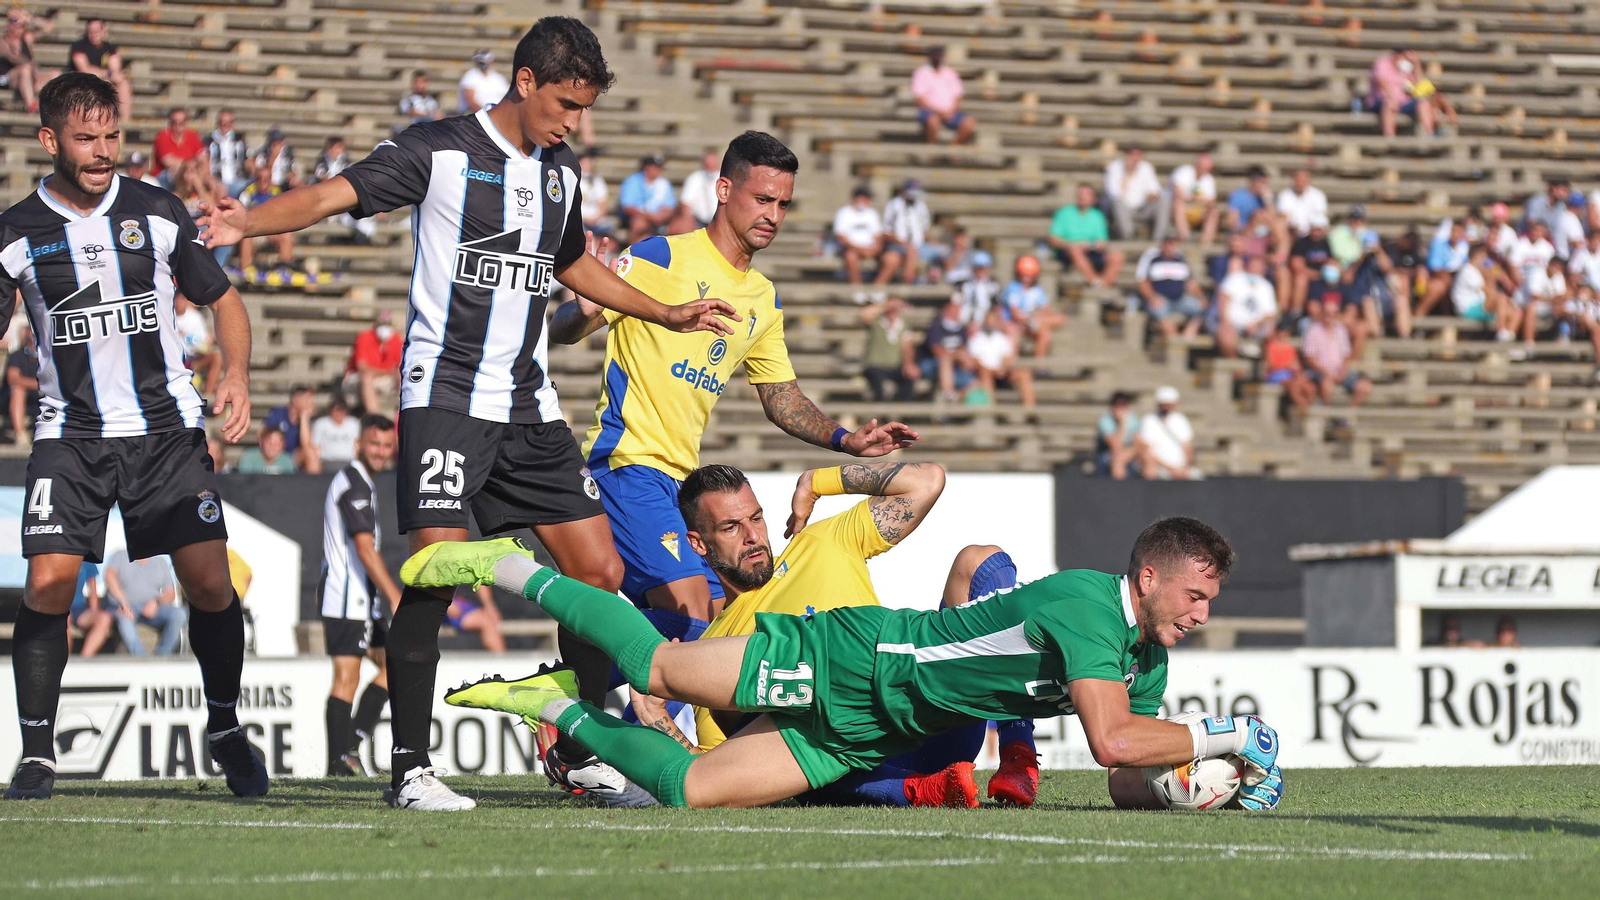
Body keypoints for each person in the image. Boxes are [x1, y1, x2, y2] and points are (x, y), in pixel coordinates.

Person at [197, 16, 738, 812]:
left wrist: (662, 313)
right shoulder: (440, 149)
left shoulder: (560, 172)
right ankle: (411, 769)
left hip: (529, 406)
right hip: (446, 399)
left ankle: (580, 742)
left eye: (583, 108)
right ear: (525, 82)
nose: (573, 121)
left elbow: (574, 261)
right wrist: (246, 221)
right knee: (431, 580)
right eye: (565, 102)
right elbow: (333, 194)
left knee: (600, 572)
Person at [414, 517, 1282, 811]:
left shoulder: (1143, 661)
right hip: (854, 663)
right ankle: (503, 563)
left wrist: (1206, 778)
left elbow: (1126, 778)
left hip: (875, 728)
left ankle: (557, 706)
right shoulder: (1091, 606)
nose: (1200, 617)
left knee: (690, 792)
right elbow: (1110, 743)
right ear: (1148, 578)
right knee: (657, 668)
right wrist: (1228, 734)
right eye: (1194, 598)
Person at [548, 131, 917, 803]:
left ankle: (576, 701)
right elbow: (567, 328)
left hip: (676, 482)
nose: (772, 214)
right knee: (696, 611)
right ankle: (617, 741)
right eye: (761, 197)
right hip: (627, 465)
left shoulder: (762, 299)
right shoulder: (659, 257)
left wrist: (844, 439)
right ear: (724, 190)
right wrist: (582, 311)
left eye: (783, 203)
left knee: (709, 620)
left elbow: (780, 396)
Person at [0, 74, 261, 802]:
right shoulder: (16, 234)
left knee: (209, 581)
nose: (103, 152)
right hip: (69, 436)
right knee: (50, 583)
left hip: (166, 433)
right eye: (86, 140)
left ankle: (224, 726)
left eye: (111, 137)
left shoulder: (157, 209)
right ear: (49, 140)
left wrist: (235, 373)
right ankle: (38, 753)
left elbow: (225, 301)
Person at [672, 463, 1040, 808]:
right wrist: (663, 722)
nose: (753, 536)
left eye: (756, 518)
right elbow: (724, 773)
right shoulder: (714, 649)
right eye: (731, 527)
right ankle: (922, 790)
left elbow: (927, 481)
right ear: (699, 543)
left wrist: (816, 482)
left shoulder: (821, 543)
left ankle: (1017, 755)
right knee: (790, 731)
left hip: (934, 713)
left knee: (980, 561)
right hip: (856, 763)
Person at [320, 414, 400, 776]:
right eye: (374, 444)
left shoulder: (361, 482)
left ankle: (348, 747)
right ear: (359, 445)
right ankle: (339, 763)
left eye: (386, 445)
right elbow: (365, 549)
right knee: (346, 678)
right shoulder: (353, 483)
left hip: (361, 601)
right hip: (345, 597)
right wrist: (394, 595)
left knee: (393, 664)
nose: (381, 452)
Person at [102, 550, 185, 656]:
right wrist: (123, 603)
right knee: (124, 619)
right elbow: (109, 576)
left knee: (179, 614)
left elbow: (170, 593)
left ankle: (162, 656)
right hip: (127, 607)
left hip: (153, 608)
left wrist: (156, 602)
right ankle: (141, 658)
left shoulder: (160, 562)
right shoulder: (120, 556)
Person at [1047, 184, 1124, 290]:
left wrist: (1090, 246)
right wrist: (1072, 245)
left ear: (1093, 199)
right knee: (1075, 250)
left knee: (1117, 256)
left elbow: (1102, 242)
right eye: (1080, 194)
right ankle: (1094, 281)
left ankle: (1103, 287)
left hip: (1090, 251)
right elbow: (1053, 239)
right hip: (1067, 252)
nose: (1082, 197)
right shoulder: (1064, 213)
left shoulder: (1097, 216)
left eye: (1086, 194)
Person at [1302, 299, 1373, 406]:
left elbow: (1346, 354)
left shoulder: (1341, 330)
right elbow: (1309, 357)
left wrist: (1343, 370)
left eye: (1333, 313)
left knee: (1365, 386)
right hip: (1320, 372)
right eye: (1327, 313)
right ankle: (1327, 415)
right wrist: (1326, 372)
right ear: (1322, 313)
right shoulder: (1313, 330)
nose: (1330, 316)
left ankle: (1348, 415)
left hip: (1339, 371)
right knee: (1327, 386)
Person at [832, 186, 896, 300]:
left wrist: (876, 248)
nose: (867, 201)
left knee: (892, 259)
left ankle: (877, 289)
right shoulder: (844, 213)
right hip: (853, 249)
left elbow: (878, 235)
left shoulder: (872, 213)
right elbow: (841, 236)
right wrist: (860, 249)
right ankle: (857, 289)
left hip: (871, 249)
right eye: (866, 198)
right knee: (850, 257)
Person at [1135, 236, 1206, 339]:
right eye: (1167, 244)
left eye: (1172, 244)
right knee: (1161, 311)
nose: (1169, 247)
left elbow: (1190, 283)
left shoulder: (1181, 259)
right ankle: (1175, 341)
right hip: (1159, 298)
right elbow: (1142, 281)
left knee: (1202, 309)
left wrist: (1201, 297)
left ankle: (1186, 338)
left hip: (1180, 299)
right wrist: (1152, 297)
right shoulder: (1152, 258)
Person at [999, 255, 1066, 361]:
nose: (1027, 278)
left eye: (1030, 275)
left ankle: (1039, 366)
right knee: (1013, 332)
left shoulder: (1037, 290)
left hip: (1032, 323)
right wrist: (1031, 320)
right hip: (1015, 324)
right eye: (1025, 275)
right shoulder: (1012, 288)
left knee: (1048, 330)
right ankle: (1011, 368)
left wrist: (1038, 319)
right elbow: (1016, 315)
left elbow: (1047, 310)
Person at [967, 307, 1035, 408]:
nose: (990, 324)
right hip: (985, 372)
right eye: (988, 321)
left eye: (993, 321)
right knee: (985, 373)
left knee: (1024, 373)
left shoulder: (1002, 338)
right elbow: (975, 360)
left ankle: (1029, 408)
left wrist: (1003, 368)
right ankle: (991, 408)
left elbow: (1006, 357)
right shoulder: (976, 338)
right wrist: (992, 370)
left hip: (1001, 372)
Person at [1214, 256, 1278, 359]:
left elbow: (1270, 314)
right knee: (1225, 334)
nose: (1255, 267)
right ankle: (1236, 367)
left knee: (1271, 330)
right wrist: (1225, 322)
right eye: (1253, 264)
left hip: (1256, 326)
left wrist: (1255, 324)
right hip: (1232, 324)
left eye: (1258, 265)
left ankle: (1264, 368)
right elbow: (1223, 299)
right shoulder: (1235, 278)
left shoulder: (1266, 286)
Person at [67, 17, 130, 120]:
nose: (94, 33)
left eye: (97, 30)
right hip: (82, 84)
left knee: (123, 83)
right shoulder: (79, 46)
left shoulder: (110, 48)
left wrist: (109, 74)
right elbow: (84, 70)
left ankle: (125, 121)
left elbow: (115, 70)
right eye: (91, 31)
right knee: (105, 83)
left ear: (104, 31)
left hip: (104, 80)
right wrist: (107, 73)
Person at [910, 46, 974, 144]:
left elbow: (958, 96)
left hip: (949, 112)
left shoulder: (950, 73)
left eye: (938, 56)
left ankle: (953, 149)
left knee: (969, 123)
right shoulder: (922, 73)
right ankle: (933, 151)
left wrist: (951, 110)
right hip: (930, 111)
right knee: (933, 122)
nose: (937, 58)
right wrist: (938, 111)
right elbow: (919, 99)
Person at [235, 166, 295, 269]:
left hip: (269, 231)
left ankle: (285, 269)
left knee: (287, 235)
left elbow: (281, 216)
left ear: (271, 180)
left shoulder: (276, 193)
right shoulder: (247, 193)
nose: (263, 182)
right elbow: (242, 219)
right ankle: (246, 269)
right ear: (255, 179)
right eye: (260, 178)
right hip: (253, 231)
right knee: (247, 236)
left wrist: (272, 230)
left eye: (267, 179)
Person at [1367, 48, 1434, 139]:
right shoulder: (1383, 63)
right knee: (1390, 103)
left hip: (1403, 102)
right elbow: (1381, 80)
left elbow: (1420, 83)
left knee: (1424, 102)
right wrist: (1392, 97)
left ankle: (1430, 134)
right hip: (1381, 100)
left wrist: (1416, 63)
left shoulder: (1407, 67)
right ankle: (1390, 137)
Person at [344, 311, 403, 414]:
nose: (384, 329)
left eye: (387, 325)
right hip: (357, 378)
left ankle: (401, 413)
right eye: (381, 325)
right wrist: (388, 371)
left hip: (385, 378)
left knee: (403, 376)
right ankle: (374, 416)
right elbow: (362, 368)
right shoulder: (365, 337)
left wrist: (389, 372)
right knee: (367, 378)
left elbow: (398, 367)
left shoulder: (396, 339)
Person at [860, 296, 917, 402]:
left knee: (909, 379)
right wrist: (886, 305)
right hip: (875, 365)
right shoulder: (877, 322)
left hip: (894, 366)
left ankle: (903, 409)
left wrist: (908, 364)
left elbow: (907, 348)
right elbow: (865, 315)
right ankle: (881, 407)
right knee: (876, 381)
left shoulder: (903, 325)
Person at [918, 300, 976, 402]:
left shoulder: (961, 329)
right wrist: (956, 355)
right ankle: (948, 394)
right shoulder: (936, 327)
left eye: (958, 309)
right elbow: (937, 351)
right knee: (945, 360)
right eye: (953, 309)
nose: (956, 312)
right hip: (931, 364)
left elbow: (964, 349)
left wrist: (962, 358)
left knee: (975, 380)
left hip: (954, 367)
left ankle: (957, 401)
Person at [1137, 386, 1198, 480]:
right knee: (1150, 470)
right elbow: (1147, 451)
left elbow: (1188, 448)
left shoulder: (1181, 420)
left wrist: (1185, 468)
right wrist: (1171, 469)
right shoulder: (1149, 420)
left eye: (1169, 404)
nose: (1166, 407)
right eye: (1164, 404)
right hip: (1160, 468)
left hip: (1181, 468)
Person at [1, 7, 53, 114]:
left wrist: (29, 18)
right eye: (14, 23)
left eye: (21, 25)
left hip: (29, 77)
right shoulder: (3, 41)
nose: (19, 28)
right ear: (9, 25)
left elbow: (49, 27)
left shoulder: (27, 38)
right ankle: (31, 105)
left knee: (55, 74)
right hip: (8, 78)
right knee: (25, 69)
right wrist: (34, 68)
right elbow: (14, 58)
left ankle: (56, 107)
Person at [1158, 152, 1218, 244]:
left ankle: (1206, 244)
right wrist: (1199, 199)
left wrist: (1193, 199)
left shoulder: (1209, 179)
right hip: (1174, 211)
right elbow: (1178, 194)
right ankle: (1185, 239)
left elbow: (1211, 202)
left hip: (1196, 211)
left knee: (1213, 212)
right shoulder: (1183, 172)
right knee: (1179, 204)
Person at [619, 154, 679, 244]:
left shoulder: (664, 183)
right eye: (656, 167)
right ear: (647, 168)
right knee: (639, 224)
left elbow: (670, 206)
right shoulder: (633, 181)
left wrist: (662, 216)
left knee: (680, 226)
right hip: (640, 217)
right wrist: (649, 216)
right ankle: (633, 253)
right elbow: (628, 206)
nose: (659, 171)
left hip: (661, 218)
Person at [1105, 145, 1161, 239]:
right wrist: (1127, 174)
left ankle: (1159, 238)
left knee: (1164, 202)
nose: (1135, 159)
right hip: (1122, 208)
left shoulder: (1146, 167)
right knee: (1118, 203)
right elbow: (1114, 194)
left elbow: (1155, 190)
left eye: (1138, 155)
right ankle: (1128, 236)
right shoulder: (1114, 168)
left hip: (1142, 208)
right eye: (1132, 155)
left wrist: (1152, 196)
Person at [882, 179, 931, 285]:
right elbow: (886, 231)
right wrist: (903, 243)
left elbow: (925, 230)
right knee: (895, 258)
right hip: (897, 244)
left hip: (919, 245)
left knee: (942, 253)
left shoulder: (921, 206)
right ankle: (907, 284)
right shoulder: (893, 205)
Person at [1263, 317, 1316, 412]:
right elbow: (1270, 365)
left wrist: (1297, 370)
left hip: (1290, 374)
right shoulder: (1271, 346)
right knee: (1293, 387)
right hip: (1277, 374)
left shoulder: (1290, 347)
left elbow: (1296, 364)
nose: (1284, 334)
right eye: (1282, 331)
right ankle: (1305, 410)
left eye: (1286, 331)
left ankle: (1306, 408)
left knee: (1309, 387)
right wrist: (1286, 366)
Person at [173, 292, 222, 391]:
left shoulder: (194, 317)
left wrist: (188, 337)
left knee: (217, 357)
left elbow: (202, 342)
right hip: (174, 359)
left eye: (181, 300)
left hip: (192, 358)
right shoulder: (168, 316)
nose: (178, 303)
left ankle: (208, 394)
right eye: (176, 300)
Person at [1285, 216, 1334, 314]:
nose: (1316, 232)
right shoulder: (1301, 243)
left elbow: (1331, 261)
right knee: (1301, 280)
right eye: (1314, 229)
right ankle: (1295, 312)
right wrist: (1317, 274)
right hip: (1307, 275)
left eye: (1319, 230)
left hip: (1322, 276)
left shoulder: (1326, 243)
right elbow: (1297, 265)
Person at [262, 385, 317, 470]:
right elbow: (262, 432)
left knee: (311, 453)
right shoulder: (279, 413)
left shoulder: (308, 419)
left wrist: (303, 417)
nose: (310, 403)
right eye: (307, 399)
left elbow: (306, 445)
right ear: (295, 400)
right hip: (275, 452)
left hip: (294, 456)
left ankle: (313, 482)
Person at [68, 562, 113, 657]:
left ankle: (84, 660)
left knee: (104, 618)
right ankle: (64, 661)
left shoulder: (87, 559)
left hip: (79, 608)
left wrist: (94, 610)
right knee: (64, 618)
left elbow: (92, 586)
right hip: (59, 607)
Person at [152, 107, 204, 189]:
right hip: (165, 175)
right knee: (184, 174)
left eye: (181, 122)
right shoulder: (162, 136)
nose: (177, 125)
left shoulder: (192, 135)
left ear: (186, 122)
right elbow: (168, 162)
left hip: (190, 171)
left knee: (212, 182)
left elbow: (202, 157)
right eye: (174, 122)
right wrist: (188, 165)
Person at [206, 108, 251, 197]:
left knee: (247, 192)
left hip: (238, 181)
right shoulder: (208, 142)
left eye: (227, 123)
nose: (223, 125)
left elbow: (248, 161)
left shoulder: (239, 141)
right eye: (221, 122)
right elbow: (204, 162)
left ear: (233, 124)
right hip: (217, 182)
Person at [446, 584, 505, 652]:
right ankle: (501, 660)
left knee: (488, 618)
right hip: (437, 600)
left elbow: (480, 580)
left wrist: (489, 606)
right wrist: (447, 603)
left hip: (454, 601)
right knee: (484, 621)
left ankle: (501, 659)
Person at [1095, 392, 1141, 479]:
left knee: (1148, 456)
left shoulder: (1133, 420)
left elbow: (1138, 443)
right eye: (1117, 404)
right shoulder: (1105, 421)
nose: (1120, 408)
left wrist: (1129, 453)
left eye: (1123, 404)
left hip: (1129, 451)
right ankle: (1120, 490)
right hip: (1108, 453)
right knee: (1118, 459)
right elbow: (1116, 446)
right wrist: (1122, 423)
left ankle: (1150, 490)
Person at [6, 320, 38, 445]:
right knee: (18, 390)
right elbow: (13, 378)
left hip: (42, 397)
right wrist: (38, 385)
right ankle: (20, 435)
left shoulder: (49, 358)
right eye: (30, 341)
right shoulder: (17, 356)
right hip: (21, 397)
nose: (33, 345)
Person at [951, 250, 999, 325]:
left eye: (983, 268)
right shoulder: (962, 284)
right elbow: (955, 304)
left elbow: (996, 307)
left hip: (985, 322)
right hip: (964, 322)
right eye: (978, 268)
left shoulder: (993, 285)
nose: (980, 271)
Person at [312, 396, 362, 466]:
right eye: (337, 410)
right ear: (330, 410)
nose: (339, 413)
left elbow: (358, 447)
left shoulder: (354, 424)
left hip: (348, 462)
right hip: (327, 462)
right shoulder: (321, 424)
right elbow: (315, 447)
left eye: (342, 410)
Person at [679, 150, 720, 230]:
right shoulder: (694, 178)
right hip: (698, 222)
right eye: (708, 163)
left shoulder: (724, 178)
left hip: (719, 221)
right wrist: (688, 220)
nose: (710, 166)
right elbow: (685, 202)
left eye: (712, 163)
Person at [458, 49, 509, 113]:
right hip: (475, 115)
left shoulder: (499, 78)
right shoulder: (470, 76)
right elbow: (470, 101)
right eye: (481, 63)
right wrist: (487, 114)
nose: (484, 65)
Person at [577, 148, 612, 239]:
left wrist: (597, 218)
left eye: (589, 163)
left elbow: (603, 202)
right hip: (579, 219)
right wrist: (584, 219)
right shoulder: (573, 180)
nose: (588, 166)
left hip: (596, 220)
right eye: (585, 163)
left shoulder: (597, 180)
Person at [1225, 166, 1273, 232]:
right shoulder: (1238, 195)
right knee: (1258, 215)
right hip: (1244, 231)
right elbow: (1232, 219)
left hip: (1263, 231)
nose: (1264, 185)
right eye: (1262, 182)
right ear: (1254, 181)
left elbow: (1273, 218)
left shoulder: (1264, 198)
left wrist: (1268, 199)